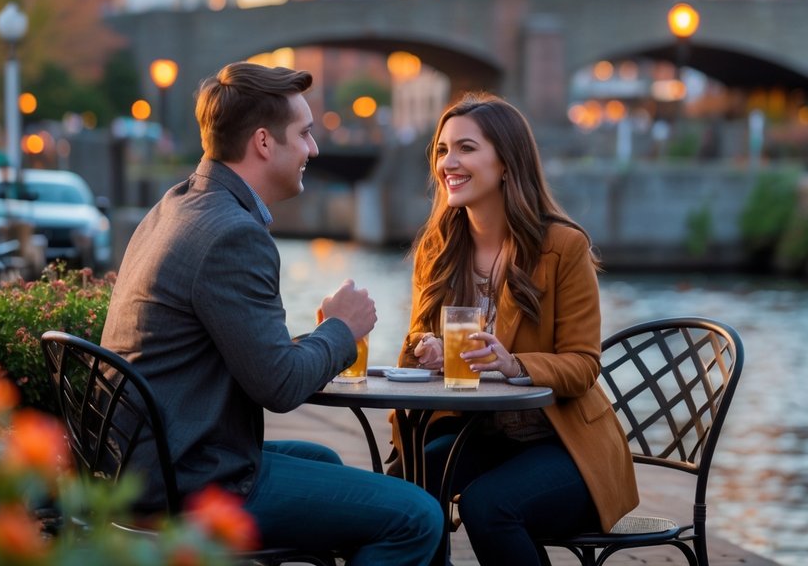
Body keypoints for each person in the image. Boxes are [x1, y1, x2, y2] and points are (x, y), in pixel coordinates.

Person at [102, 61, 442, 565]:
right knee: (418, 516)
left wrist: (323, 336)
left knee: (324, 460)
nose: (314, 149)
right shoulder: (233, 235)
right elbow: (279, 387)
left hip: (149, 464)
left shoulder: (176, 206)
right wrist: (341, 330)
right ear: (264, 142)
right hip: (191, 485)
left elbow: (258, 355)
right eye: (304, 134)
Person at [397, 93, 639, 566]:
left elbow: (583, 364)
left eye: (466, 148)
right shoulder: (439, 248)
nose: (449, 162)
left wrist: (514, 365)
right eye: (443, 150)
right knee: (410, 484)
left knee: (491, 506)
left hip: (565, 447)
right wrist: (426, 348)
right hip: (481, 435)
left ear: (507, 162)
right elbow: (414, 340)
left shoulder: (562, 247)